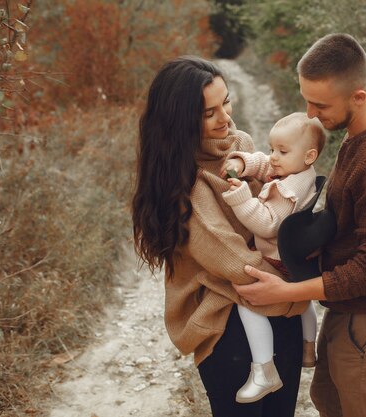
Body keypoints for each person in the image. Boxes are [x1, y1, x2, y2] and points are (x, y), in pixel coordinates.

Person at [233, 33, 366, 417]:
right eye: (306, 99)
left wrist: (286, 291)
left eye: (320, 104)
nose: (310, 113)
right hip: (348, 315)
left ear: (358, 96)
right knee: (329, 404)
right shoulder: (360, 137)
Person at [131, 56, 309, 417]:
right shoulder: (183, 182)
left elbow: (275, 214)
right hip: (229, 323)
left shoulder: (239, 144)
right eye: (207, 112)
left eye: (225, 101)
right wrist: (299, 291)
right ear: (179, 120)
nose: (224, 118)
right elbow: (235, 261)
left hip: (278, 305)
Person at [220, 112, 326, 403]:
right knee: (304, 305)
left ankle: (264, 368)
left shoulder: (286, 189)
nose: (273, 157)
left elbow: (267, 223)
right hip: (299, 259)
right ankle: (308, 347)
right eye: (271, 148)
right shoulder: (300, 172)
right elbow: (264, 164)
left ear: (309, 155)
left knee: (248, 302)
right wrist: (243, 163)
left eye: (282, 151)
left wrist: (242, 196)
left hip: (279, 258)